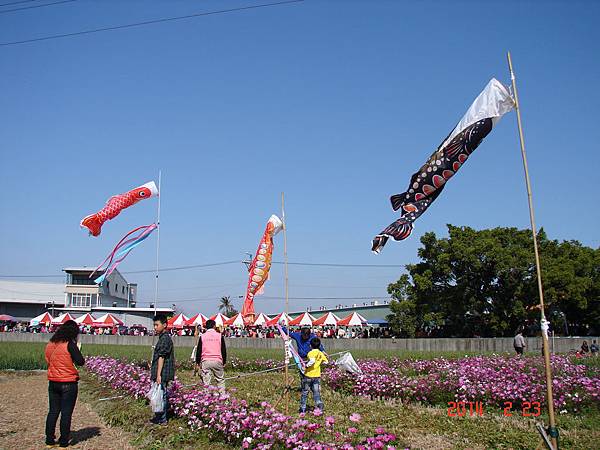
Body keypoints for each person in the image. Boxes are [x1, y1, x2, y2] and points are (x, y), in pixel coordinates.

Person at [44, 319, 85, 448]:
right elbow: (80, 361)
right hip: (68, 382)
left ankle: (49, 440)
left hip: (53, 382)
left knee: (53, 411)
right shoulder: (70, 344)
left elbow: (48, 360)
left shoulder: (51, 343)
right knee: (66, 413)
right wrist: (78, 348)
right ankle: (63, 442)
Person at [150, 314, 175, 425]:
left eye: (157, 325)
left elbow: (162, 357)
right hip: (161, 371)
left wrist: (158, 374)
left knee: (162, 395)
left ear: (164, 325)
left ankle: (162, 418)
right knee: (160, 394)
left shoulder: (165, 339)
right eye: (154, 325)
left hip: (163, 371)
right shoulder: (162, 337)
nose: (155, 327)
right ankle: (159, 416)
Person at [196, 319, 227, 391]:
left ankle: (206, 398)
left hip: (206, 360)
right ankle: (223, 397)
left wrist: (198, 362)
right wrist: (224, 361)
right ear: (214, 326)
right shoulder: (219, 336)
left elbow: (199, 350)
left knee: (206, 382)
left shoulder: (202, 336)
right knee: (220, 380)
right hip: (217, 360)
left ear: (206, 327)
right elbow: (223, 350)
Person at [299, 337, 328, 413]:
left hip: (308, 375)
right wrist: (319, 363)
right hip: (317, 376)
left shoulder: (310, 353)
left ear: (310, 346)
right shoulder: (321, 353)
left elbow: (312, 360)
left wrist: (306, 366)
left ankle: (303, 408)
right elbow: (326, 362)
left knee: (305, 392)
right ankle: (319, 403)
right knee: (316, 392)